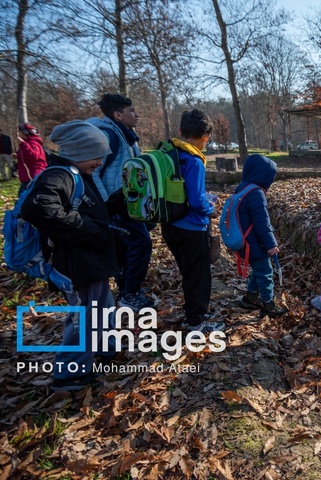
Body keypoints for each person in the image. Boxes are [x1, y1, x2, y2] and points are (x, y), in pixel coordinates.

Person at [20, 120, 119, 391]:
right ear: (78, 152)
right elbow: (38, 207)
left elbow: (85, 209)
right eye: (96, 156)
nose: (100, 162)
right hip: (76, 264)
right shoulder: (60, 174)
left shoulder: (76, 174)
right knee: (83, 316)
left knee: (103, 307)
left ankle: (105, 350)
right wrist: (89, 229)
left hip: (89, 261)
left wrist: (115, 204)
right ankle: (70, 373)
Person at [87, 94, 154, 312]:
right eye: (131, 110)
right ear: (118, 114)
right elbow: (94, 170)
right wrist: (105, 203)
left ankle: (126, 289)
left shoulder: (125, 135)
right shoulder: (109, 136)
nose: (136, 114)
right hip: (117, 202)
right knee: (142, 242)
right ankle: (131, 293)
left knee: (125, 246)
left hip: (129, 200)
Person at [161, 109, 225, 333]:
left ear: (180, 131)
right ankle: (196, 322)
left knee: (188, 273)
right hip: (191, 228)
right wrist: (211, 209)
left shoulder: (168, 154)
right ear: (205, 137)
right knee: (198, 276)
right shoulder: (194, 160)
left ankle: (192, 312)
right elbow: (197, 201)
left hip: (170, 224)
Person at [234, 154, 289, 318]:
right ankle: (268, 304)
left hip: (245, 241)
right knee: (266, 272)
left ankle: (250, 297)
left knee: (258, 270)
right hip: (255, 243)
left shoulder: (242, 187)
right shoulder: (256, 193)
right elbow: (262, 223)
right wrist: (271, 244)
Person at [16, 123, 48, 195]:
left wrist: (22, 143)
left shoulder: (33, 142)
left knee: (24, 197)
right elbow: (27, 155)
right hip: (27, 175)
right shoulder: (28, 142)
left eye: (20, 132)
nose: (18, 134)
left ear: (24, 133)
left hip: (33, 176)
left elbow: (34, 155)